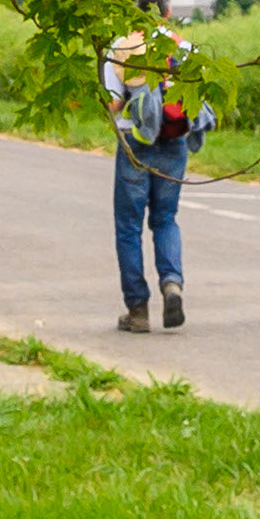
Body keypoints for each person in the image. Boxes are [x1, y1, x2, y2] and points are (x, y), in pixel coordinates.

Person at [100, 28, 209, 334]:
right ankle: (172, 284)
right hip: (174, 144)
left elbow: (114, 104)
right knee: (165, 219)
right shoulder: (183, 47)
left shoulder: (121, 47)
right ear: (166, 11)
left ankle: (137, 311)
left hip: (135, 143)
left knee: (128, 227)